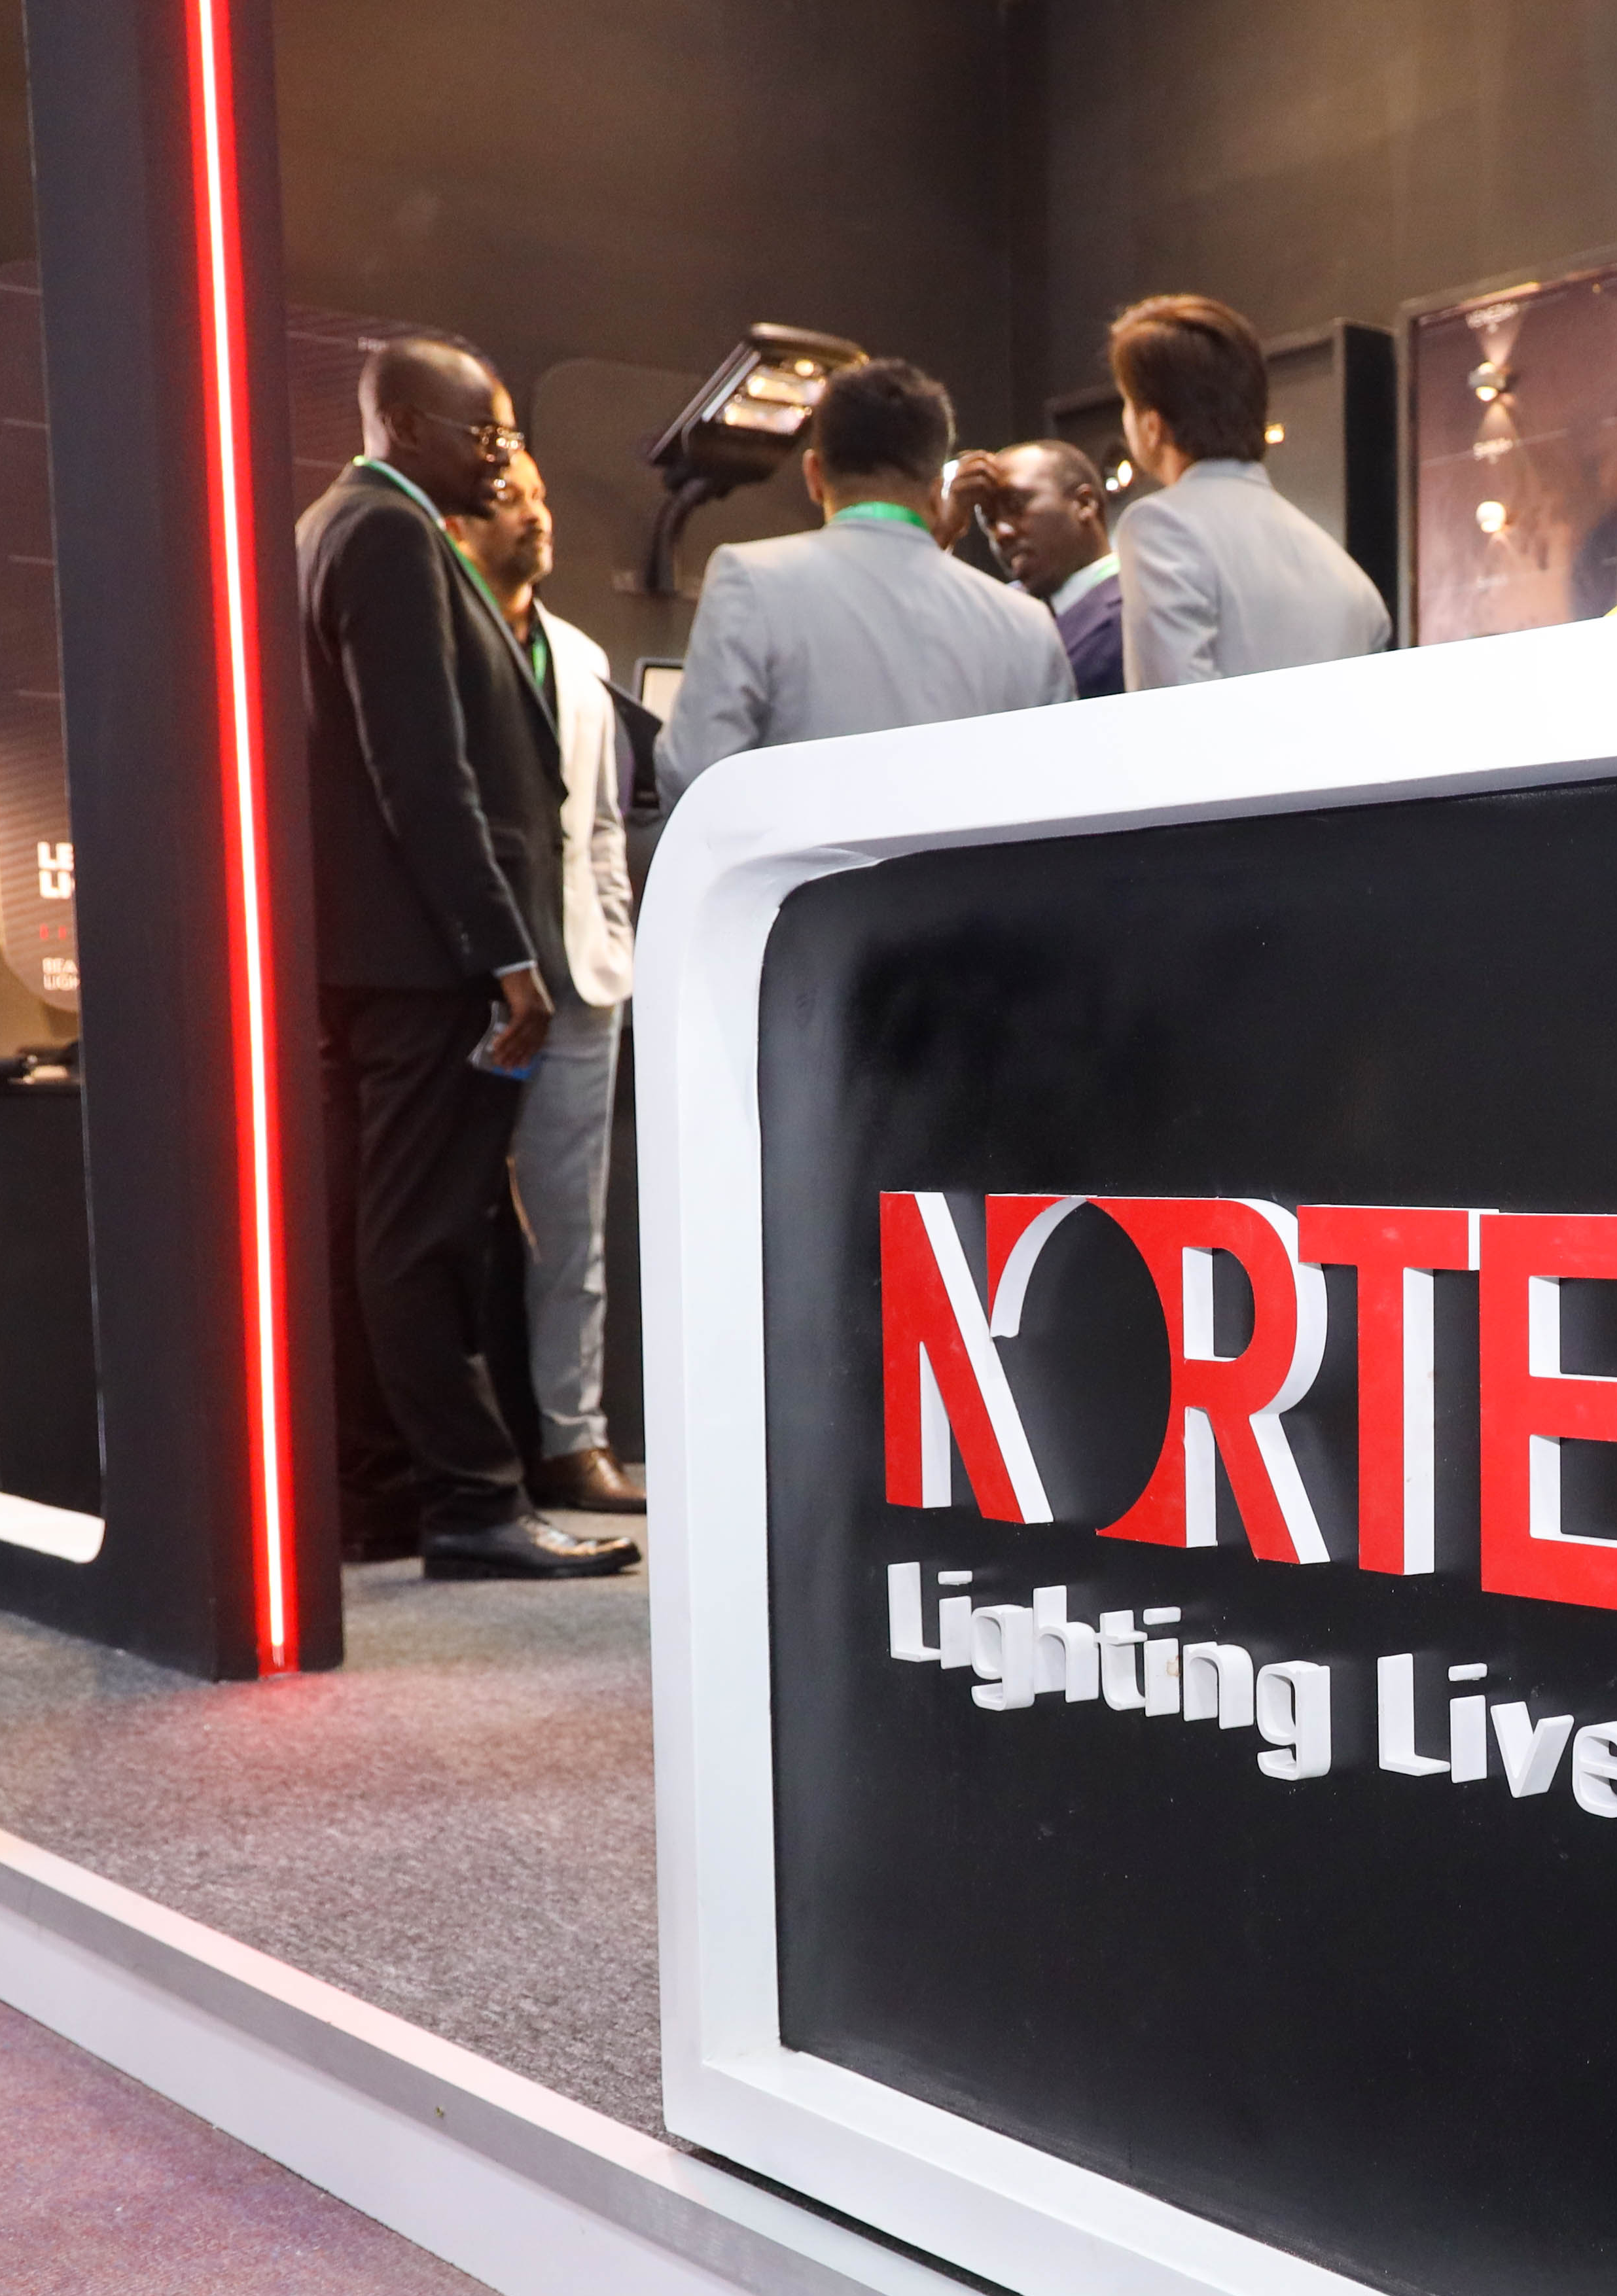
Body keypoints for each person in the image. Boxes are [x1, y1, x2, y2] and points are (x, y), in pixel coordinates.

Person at [294, 332, 634, 1583]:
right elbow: (423, 775)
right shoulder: (387, 533)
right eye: (483, 434)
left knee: (389, 1232)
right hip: (433, 966)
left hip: (394, 960)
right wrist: (503, 955)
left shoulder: (342, 529)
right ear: (405, 427)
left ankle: (389, 1493)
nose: (503, 459)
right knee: (428, 1240)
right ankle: (472, 1506)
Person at [448, 446, 644, 1516]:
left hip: (580, 982)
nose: (538, 513)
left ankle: (575, 1440)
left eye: (542, 494)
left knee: (573, 1229)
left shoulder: (578, 653)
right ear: (460, 519)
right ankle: (471, 1456)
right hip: (467, 986)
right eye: (511, 498)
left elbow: (602, 825)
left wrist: (612, 939)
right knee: (451, 1228)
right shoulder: (439, 639)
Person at [656, 358, 1069, 796]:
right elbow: (1059, 794)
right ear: (937, 492)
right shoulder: (1028, 623)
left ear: (814, 476)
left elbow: (695, 773)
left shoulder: (751, 581)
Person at [1105, 296, 1392, 690]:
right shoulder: (1349, 576)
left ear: (1152, 426)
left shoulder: (1161, 527)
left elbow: (1171, 710)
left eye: (1127, 402)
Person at [951, 438, 1124, 698]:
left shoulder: (1143, 601)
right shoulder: (993, 615)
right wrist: (941, 534)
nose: (1002, 532)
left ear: (1084, 504)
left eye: (1016, 506)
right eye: (990, 520)